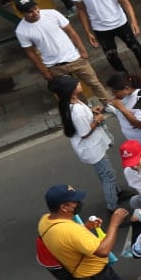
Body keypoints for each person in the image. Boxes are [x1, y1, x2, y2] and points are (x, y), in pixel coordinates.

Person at [39, 185, 141, 280]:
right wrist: (114, 223)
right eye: (74, 201)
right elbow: (103, 250)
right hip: (97, 278)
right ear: (63, 207)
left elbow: (68, 241)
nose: (78, 203)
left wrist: (85, 227)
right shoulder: (71, 231)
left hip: (79, 278)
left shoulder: (45, 221)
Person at [14, 0, 109, 100]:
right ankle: (85, 111)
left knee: (94, 83)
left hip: (75, 58)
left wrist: (82, 50)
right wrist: (44, 71)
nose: (35, 13)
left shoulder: (52, 13)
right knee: (70, 93)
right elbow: (30, 53)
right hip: (54, 66)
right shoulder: (21, 30)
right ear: (21, 13)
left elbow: (70, 31)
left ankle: (109, 104)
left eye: (35, 8)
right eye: (30, 12)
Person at [48, 75, 120, 212]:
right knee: (108, 175)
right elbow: (84, 132)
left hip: (93, 147)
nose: (80, 84)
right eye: (76, 84)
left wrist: (92, 112)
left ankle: (117, 192)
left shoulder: (73, 103)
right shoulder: (77, 111)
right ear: (70, 90)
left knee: (105, 173)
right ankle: (113, 206)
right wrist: (97, 120)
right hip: (93, 149)